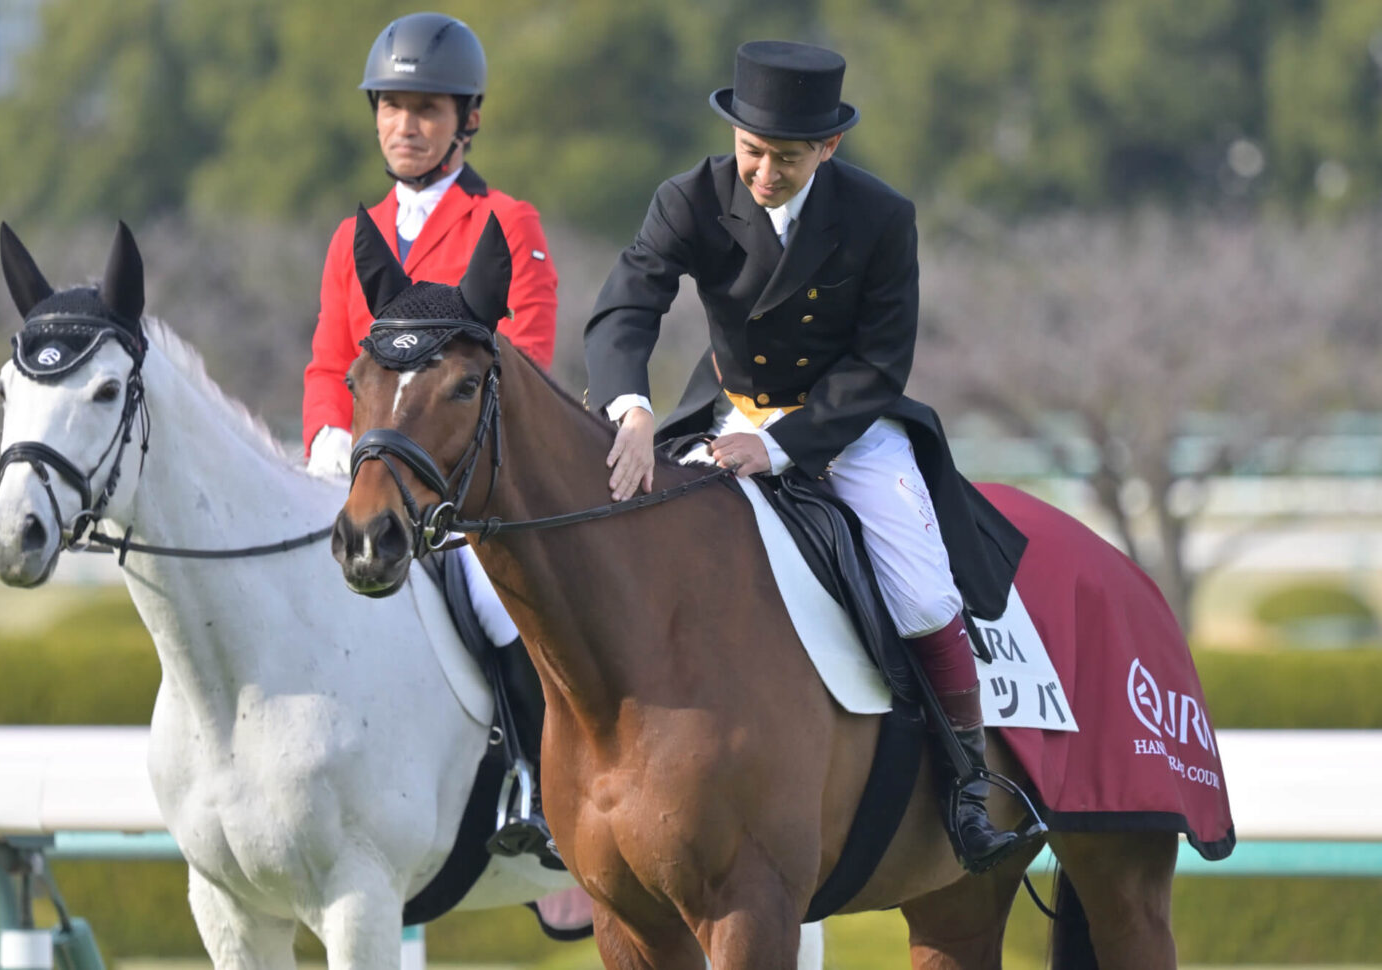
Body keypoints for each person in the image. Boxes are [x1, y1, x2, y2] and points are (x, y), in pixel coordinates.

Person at [584, 40, 1034, 873]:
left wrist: (781, 444)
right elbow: (627, 305)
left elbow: (878, 363)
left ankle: (970, 788)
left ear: (827, 148)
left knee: (923, 591)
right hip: (719, 408)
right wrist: (633, 408)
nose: (761, 174)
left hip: (843, 425)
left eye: (784, 160)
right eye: (751, 153)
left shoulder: (880, 216)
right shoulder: (688, 197)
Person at [302, 12, 559, 863]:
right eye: (392, 108)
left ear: (465, 122)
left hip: (466, 485)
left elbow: (526, 355)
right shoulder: (355, 237)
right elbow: (328, 362)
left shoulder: (506, 223)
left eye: (426, 111)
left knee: (498, 605)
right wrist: (328, 440)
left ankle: (534, 779)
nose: (405, 127)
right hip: (368, 475)